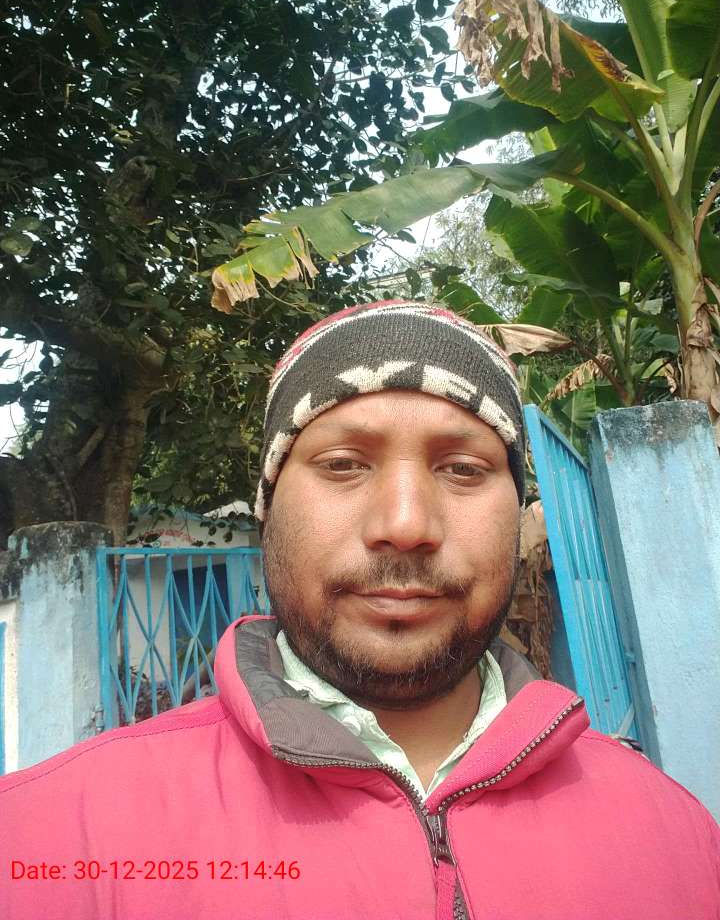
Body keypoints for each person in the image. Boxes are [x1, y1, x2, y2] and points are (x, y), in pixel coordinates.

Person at [0, 298, 718, 920]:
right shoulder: (53, 837)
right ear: (268, 509)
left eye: (463, 469)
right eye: (343, 464)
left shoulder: (675, 837)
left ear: (518, 514)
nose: (405, 524)